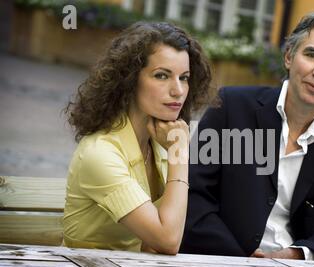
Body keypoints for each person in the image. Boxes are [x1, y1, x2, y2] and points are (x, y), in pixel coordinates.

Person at [180, 11, 314, 262]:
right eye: (312, 54)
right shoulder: (232, 108)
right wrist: (244, 259)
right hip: (218, 262)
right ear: (289, 56)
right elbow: (193, 196)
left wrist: (296, 254)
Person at [63, 22, 213, 254]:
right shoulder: (100, 154)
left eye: (184, 77)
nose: (178, 90)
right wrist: (180, 156)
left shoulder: (159, 142)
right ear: (130, 80)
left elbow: (153, 244)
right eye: (162, 76)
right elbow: (168, 240)